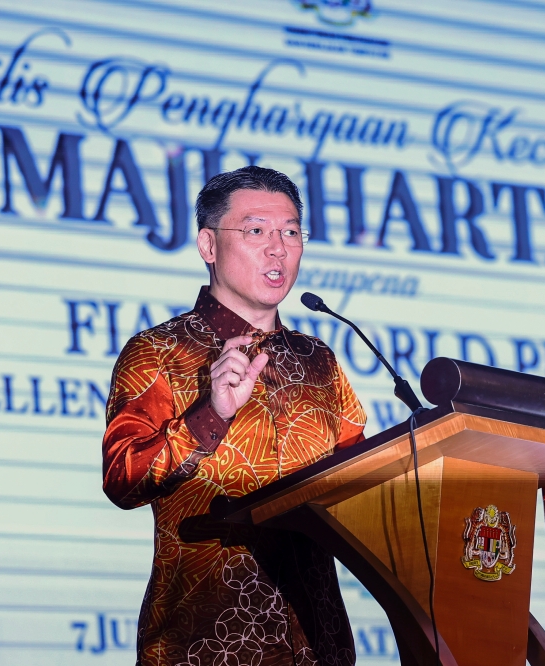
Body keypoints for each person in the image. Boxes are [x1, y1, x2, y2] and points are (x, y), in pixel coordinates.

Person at [102, 166, 367, 666]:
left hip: (320, 643)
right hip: (202, 646)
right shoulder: (159, 352)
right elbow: (122, 479)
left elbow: (361, 478)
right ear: (208, 245)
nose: (278, 248)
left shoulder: (319, 361)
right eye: (256, 231)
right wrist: (210, 415)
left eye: (291, 231)